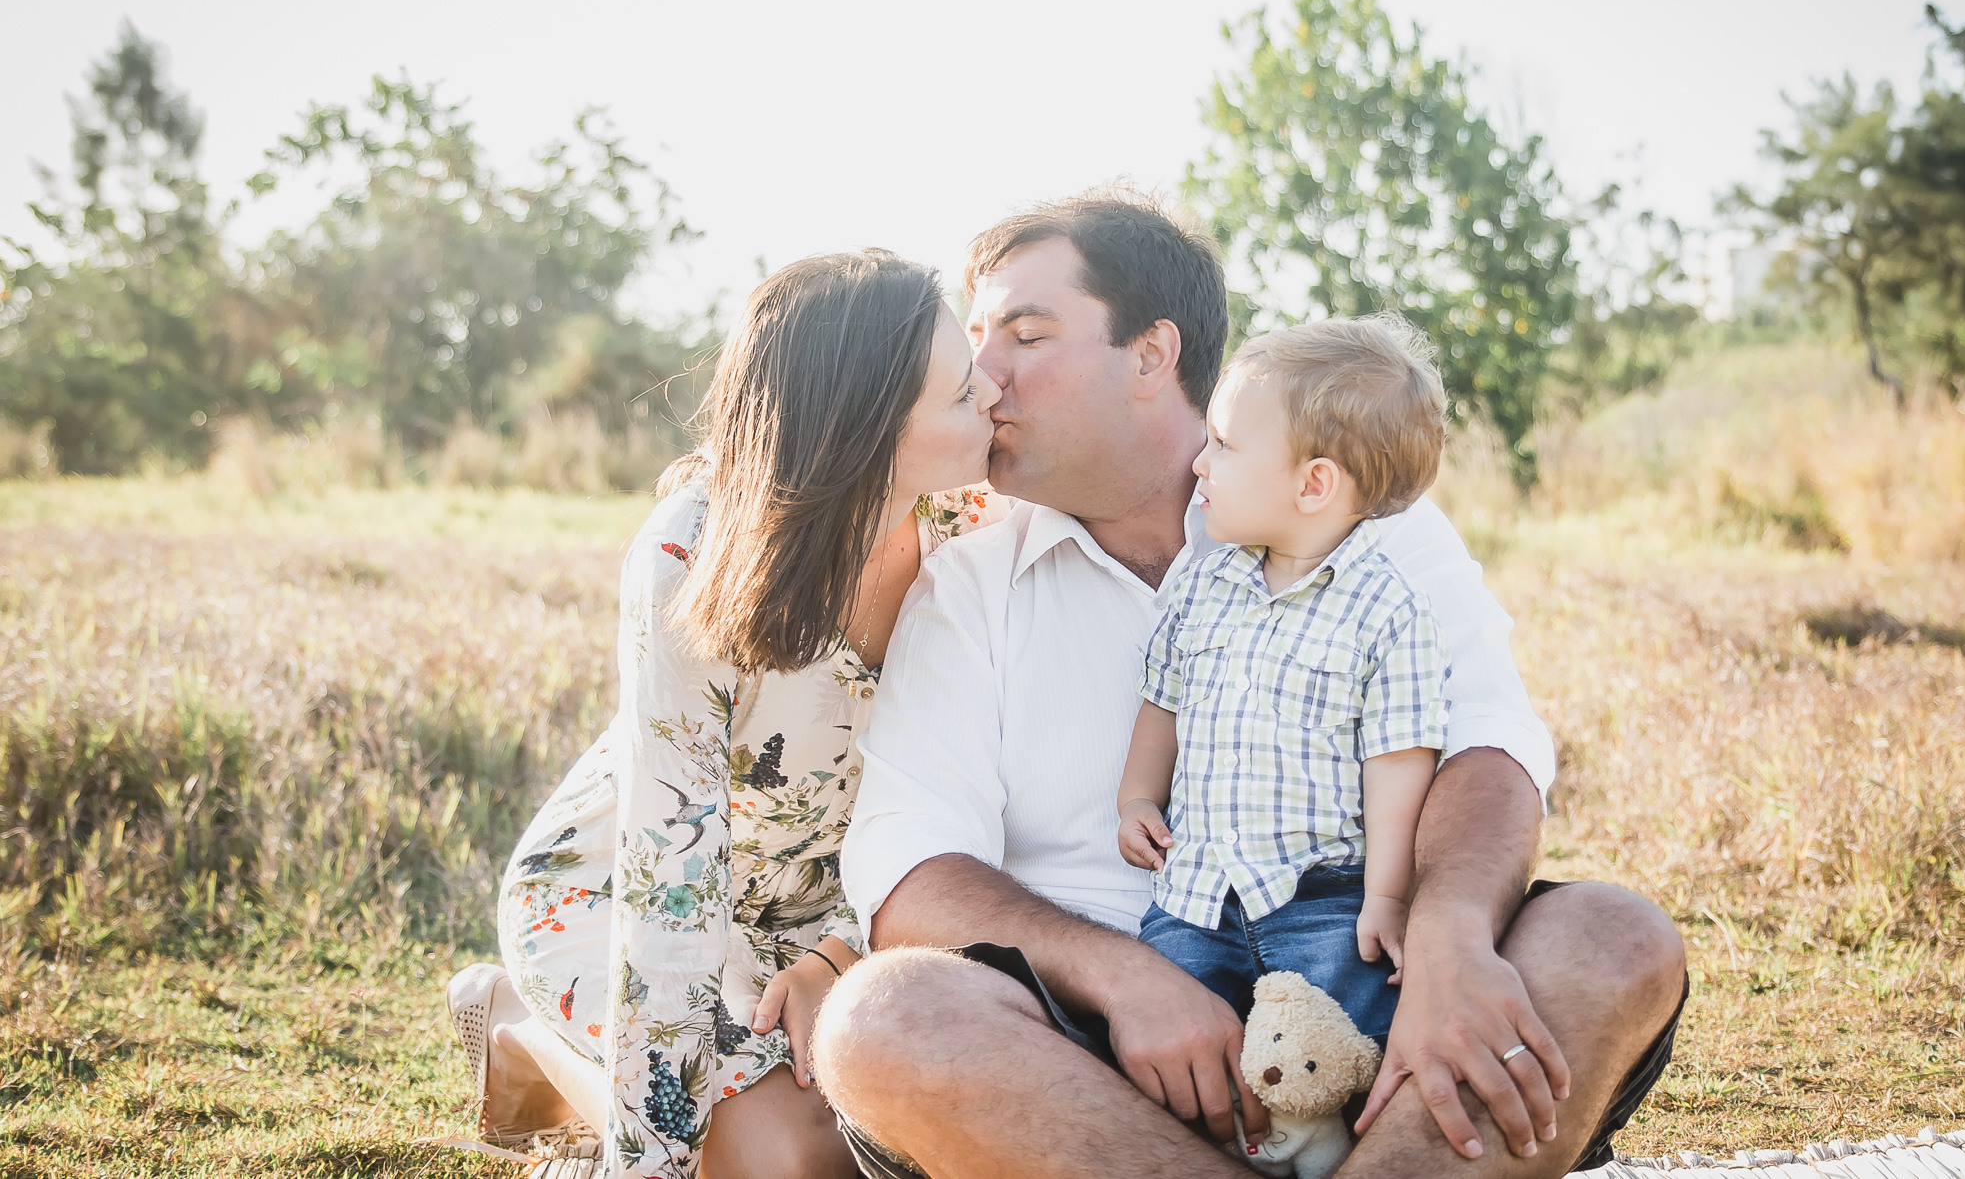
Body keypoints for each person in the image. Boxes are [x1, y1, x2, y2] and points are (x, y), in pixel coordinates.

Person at [812, 188, 1688, 1179]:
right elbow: (910, 865)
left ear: (1151, 355)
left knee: (1610, 937)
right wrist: (1127, 980)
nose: (982, 374)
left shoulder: (1362, 514)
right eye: (976, 339)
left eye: (1024, 332)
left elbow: (1485, 738)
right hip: (1091, 1074)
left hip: (1367, 1015)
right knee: (883, 1021)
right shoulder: (965, 586)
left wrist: (1448, 937)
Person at [445, 250, 1003, 1179]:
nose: (992, 391)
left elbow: (968, 798)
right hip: (630, 892)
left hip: (832, 914)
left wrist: (838, 950)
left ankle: (534, 1047)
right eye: (959, 390)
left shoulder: (974, 528)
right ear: (867, 433)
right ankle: (519, 1025)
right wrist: (647, 1161)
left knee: (824, 1150)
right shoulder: (690, 548)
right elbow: (672, 871)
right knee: (775, 1164)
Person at [1116, 316, 1453, 1062]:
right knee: (1167, 1053)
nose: (1200, 463)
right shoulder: (1203, 586)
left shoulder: (1386, 609)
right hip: (1194, 898)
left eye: (1226, 446)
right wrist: (1137, 796)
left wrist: (1387, 897)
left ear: (1314, 483)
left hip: (1322, 898)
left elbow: (1398, 762)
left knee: (1344, 1050)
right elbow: (1163, 699)